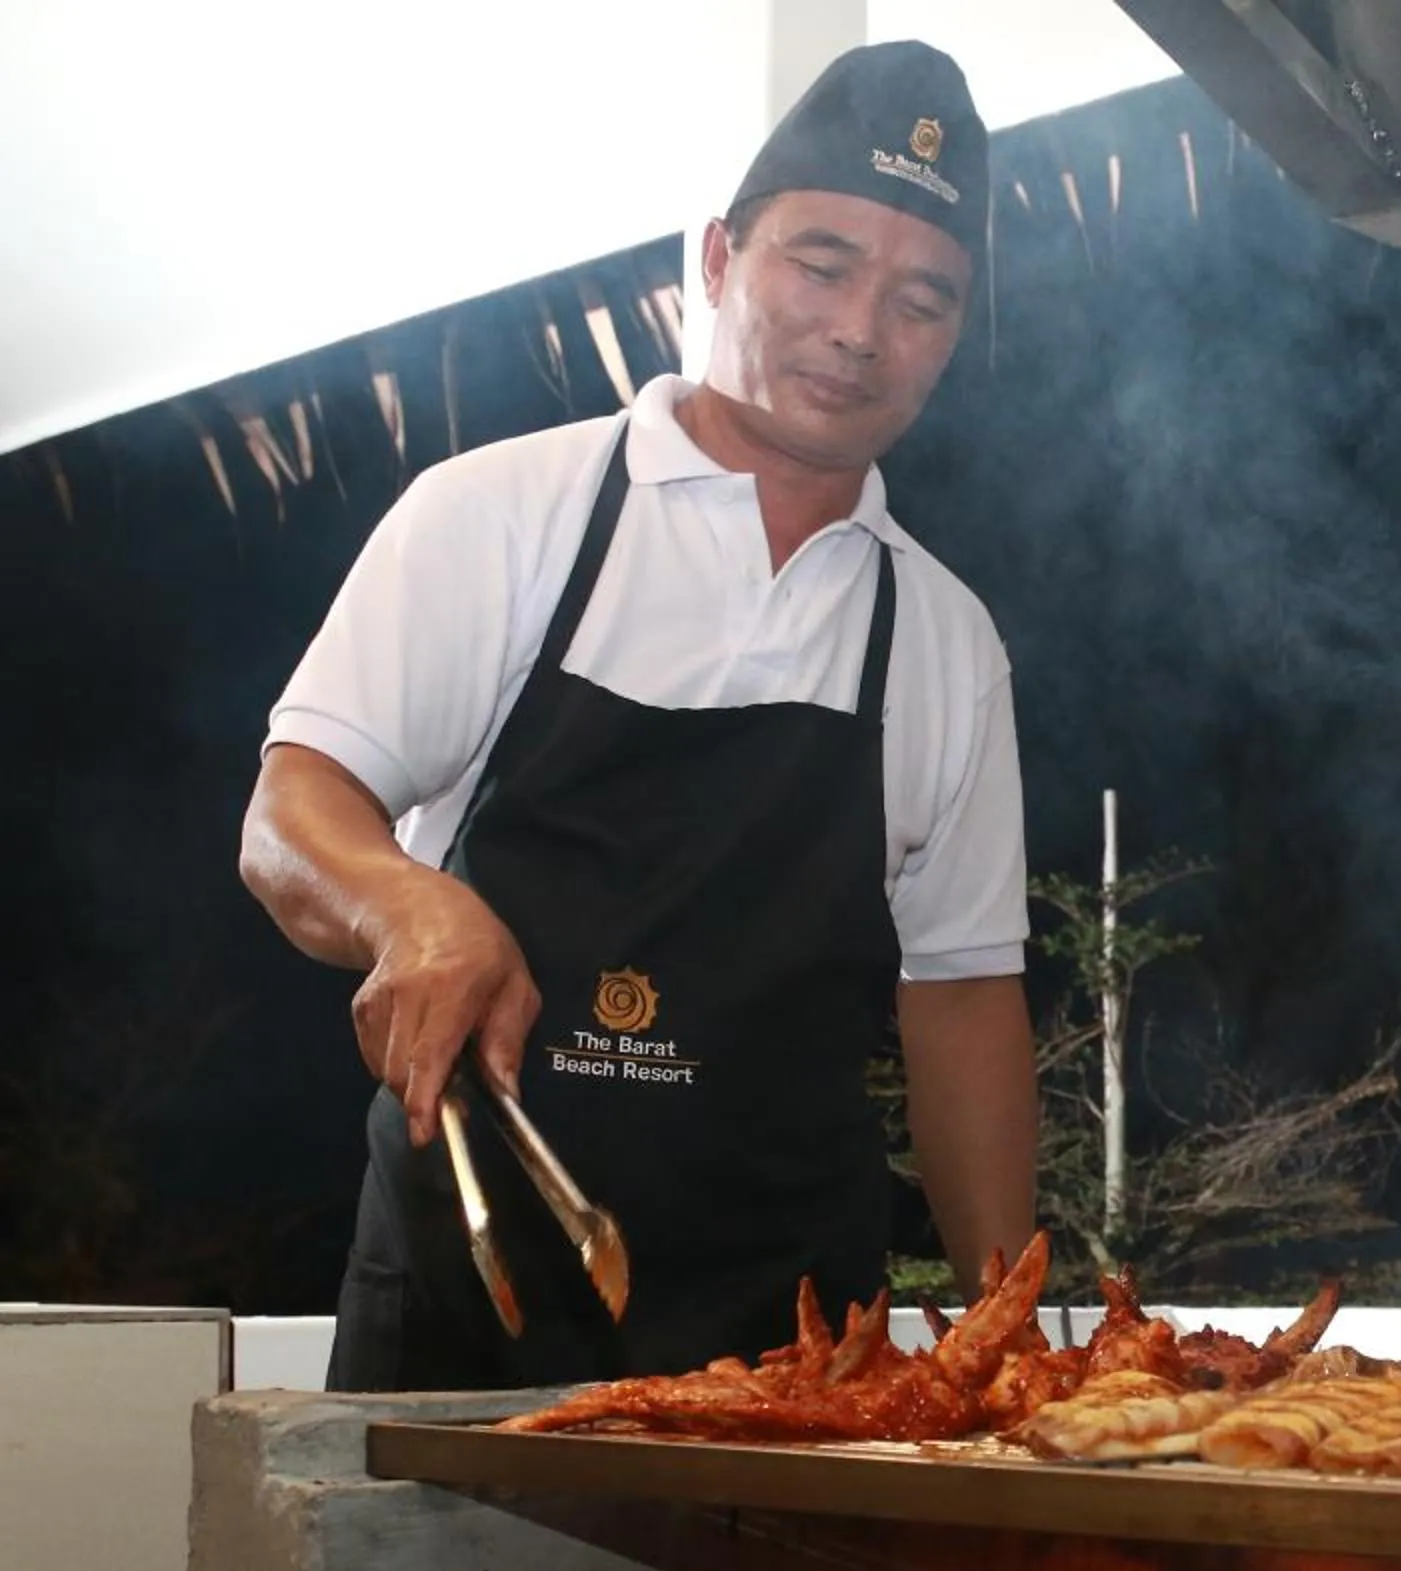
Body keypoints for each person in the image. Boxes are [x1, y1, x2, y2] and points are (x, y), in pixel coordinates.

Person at [240, 42, 1037, 1391]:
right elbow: (293, 809)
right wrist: (403, 903)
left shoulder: (944, 639)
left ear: (951, 339)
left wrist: (1005, 1330)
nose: (860, 329)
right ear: (719, 258)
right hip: (472, 1297)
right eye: (822, 263)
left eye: (921, 299)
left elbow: (961, 1003)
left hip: (796, 1352)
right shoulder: (503, 515)